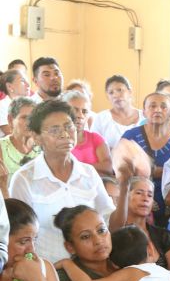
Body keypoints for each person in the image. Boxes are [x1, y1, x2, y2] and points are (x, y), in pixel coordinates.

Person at [10, 100, 114, 262]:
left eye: (68, 126)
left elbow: (107, 218)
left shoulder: (88, 173)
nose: (65, 134)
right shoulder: (24, 179)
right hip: (49, 268)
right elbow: (18, 237)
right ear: (37, 137)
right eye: (54, 130)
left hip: (92, 266)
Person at [115, 92, 170, 225]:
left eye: (163, 107)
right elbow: (119, 169)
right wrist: (164, 171)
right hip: (135, 208)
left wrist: (146, 169)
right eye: (152, 106)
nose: (158, 110)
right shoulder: (131, 135)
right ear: (144, 112)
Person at [109, 176, 170, 274]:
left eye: (150, 195)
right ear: (125, 197)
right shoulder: (116, 235)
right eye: (139, 193)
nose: (145, 198)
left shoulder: (162, 235)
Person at [62, 90, 112, 176]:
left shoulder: (95, 138)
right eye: (75, 110)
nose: (80, 115)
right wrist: (95, 169)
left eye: (84, 111)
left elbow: (108, 168)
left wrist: (76, 166)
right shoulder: (57, 141)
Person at [91, 75, 141, 149]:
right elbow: (94, 146)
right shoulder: (101, 119)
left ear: (130, 92)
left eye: (120, 90)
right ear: (108, 97)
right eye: (111, 93)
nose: (116, 95)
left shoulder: (145, 116)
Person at [0, 97, 41, 188]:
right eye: (24, 117)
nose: (30, 123)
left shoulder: (43, 146)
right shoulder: (1, 148)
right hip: (10, 200)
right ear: (10, 120)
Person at [0, 68, 32, 135]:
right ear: (9, 86)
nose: (28, 85)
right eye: (23, 81)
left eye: (27, 81)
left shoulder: (32, 104)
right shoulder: (2, 106)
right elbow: (11, 133)